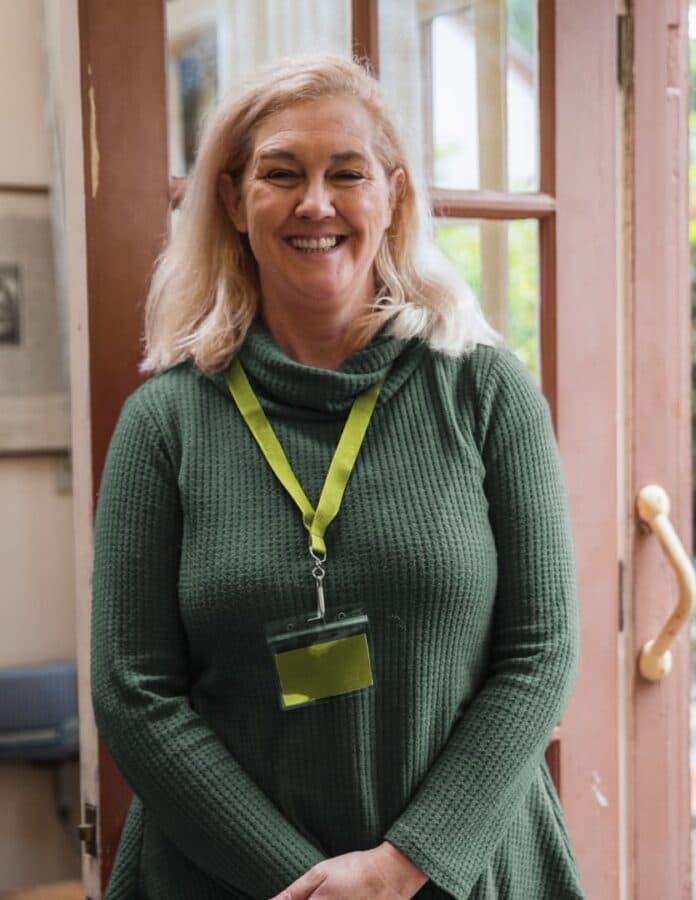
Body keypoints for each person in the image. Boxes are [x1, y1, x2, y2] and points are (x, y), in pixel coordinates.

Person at [90, 54, 584, 899]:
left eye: (346, 174)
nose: (316, 203)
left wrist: (402, 868)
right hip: (223, 880)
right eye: (281, 173)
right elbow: (133, 691)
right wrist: (311, 887)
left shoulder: (486, 391)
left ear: (391, 197)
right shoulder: (165, 422)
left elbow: (541, 652)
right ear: (232, 201)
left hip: (461, 872)